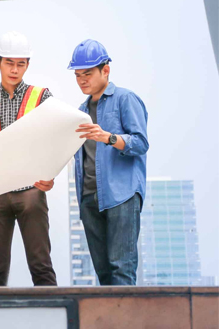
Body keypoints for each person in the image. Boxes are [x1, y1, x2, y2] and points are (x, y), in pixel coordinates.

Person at [0, 31, 57, 286]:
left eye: (21, 64)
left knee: (41, 267)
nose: (15, 70)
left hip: (31, 191)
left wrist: (49, 175)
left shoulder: (42, 97)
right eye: (9, 63)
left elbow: (55, 140)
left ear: (27, 64)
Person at [69, 39, 149, 285]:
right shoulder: (79, 112)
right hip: (89, 200)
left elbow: (140, 143)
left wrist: (109, 137)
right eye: (78, 75)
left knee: (121, 271)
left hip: (121, 196)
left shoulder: (125, 99)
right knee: (104, 275)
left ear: (106, 70)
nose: (82, 79)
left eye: (88, 73)